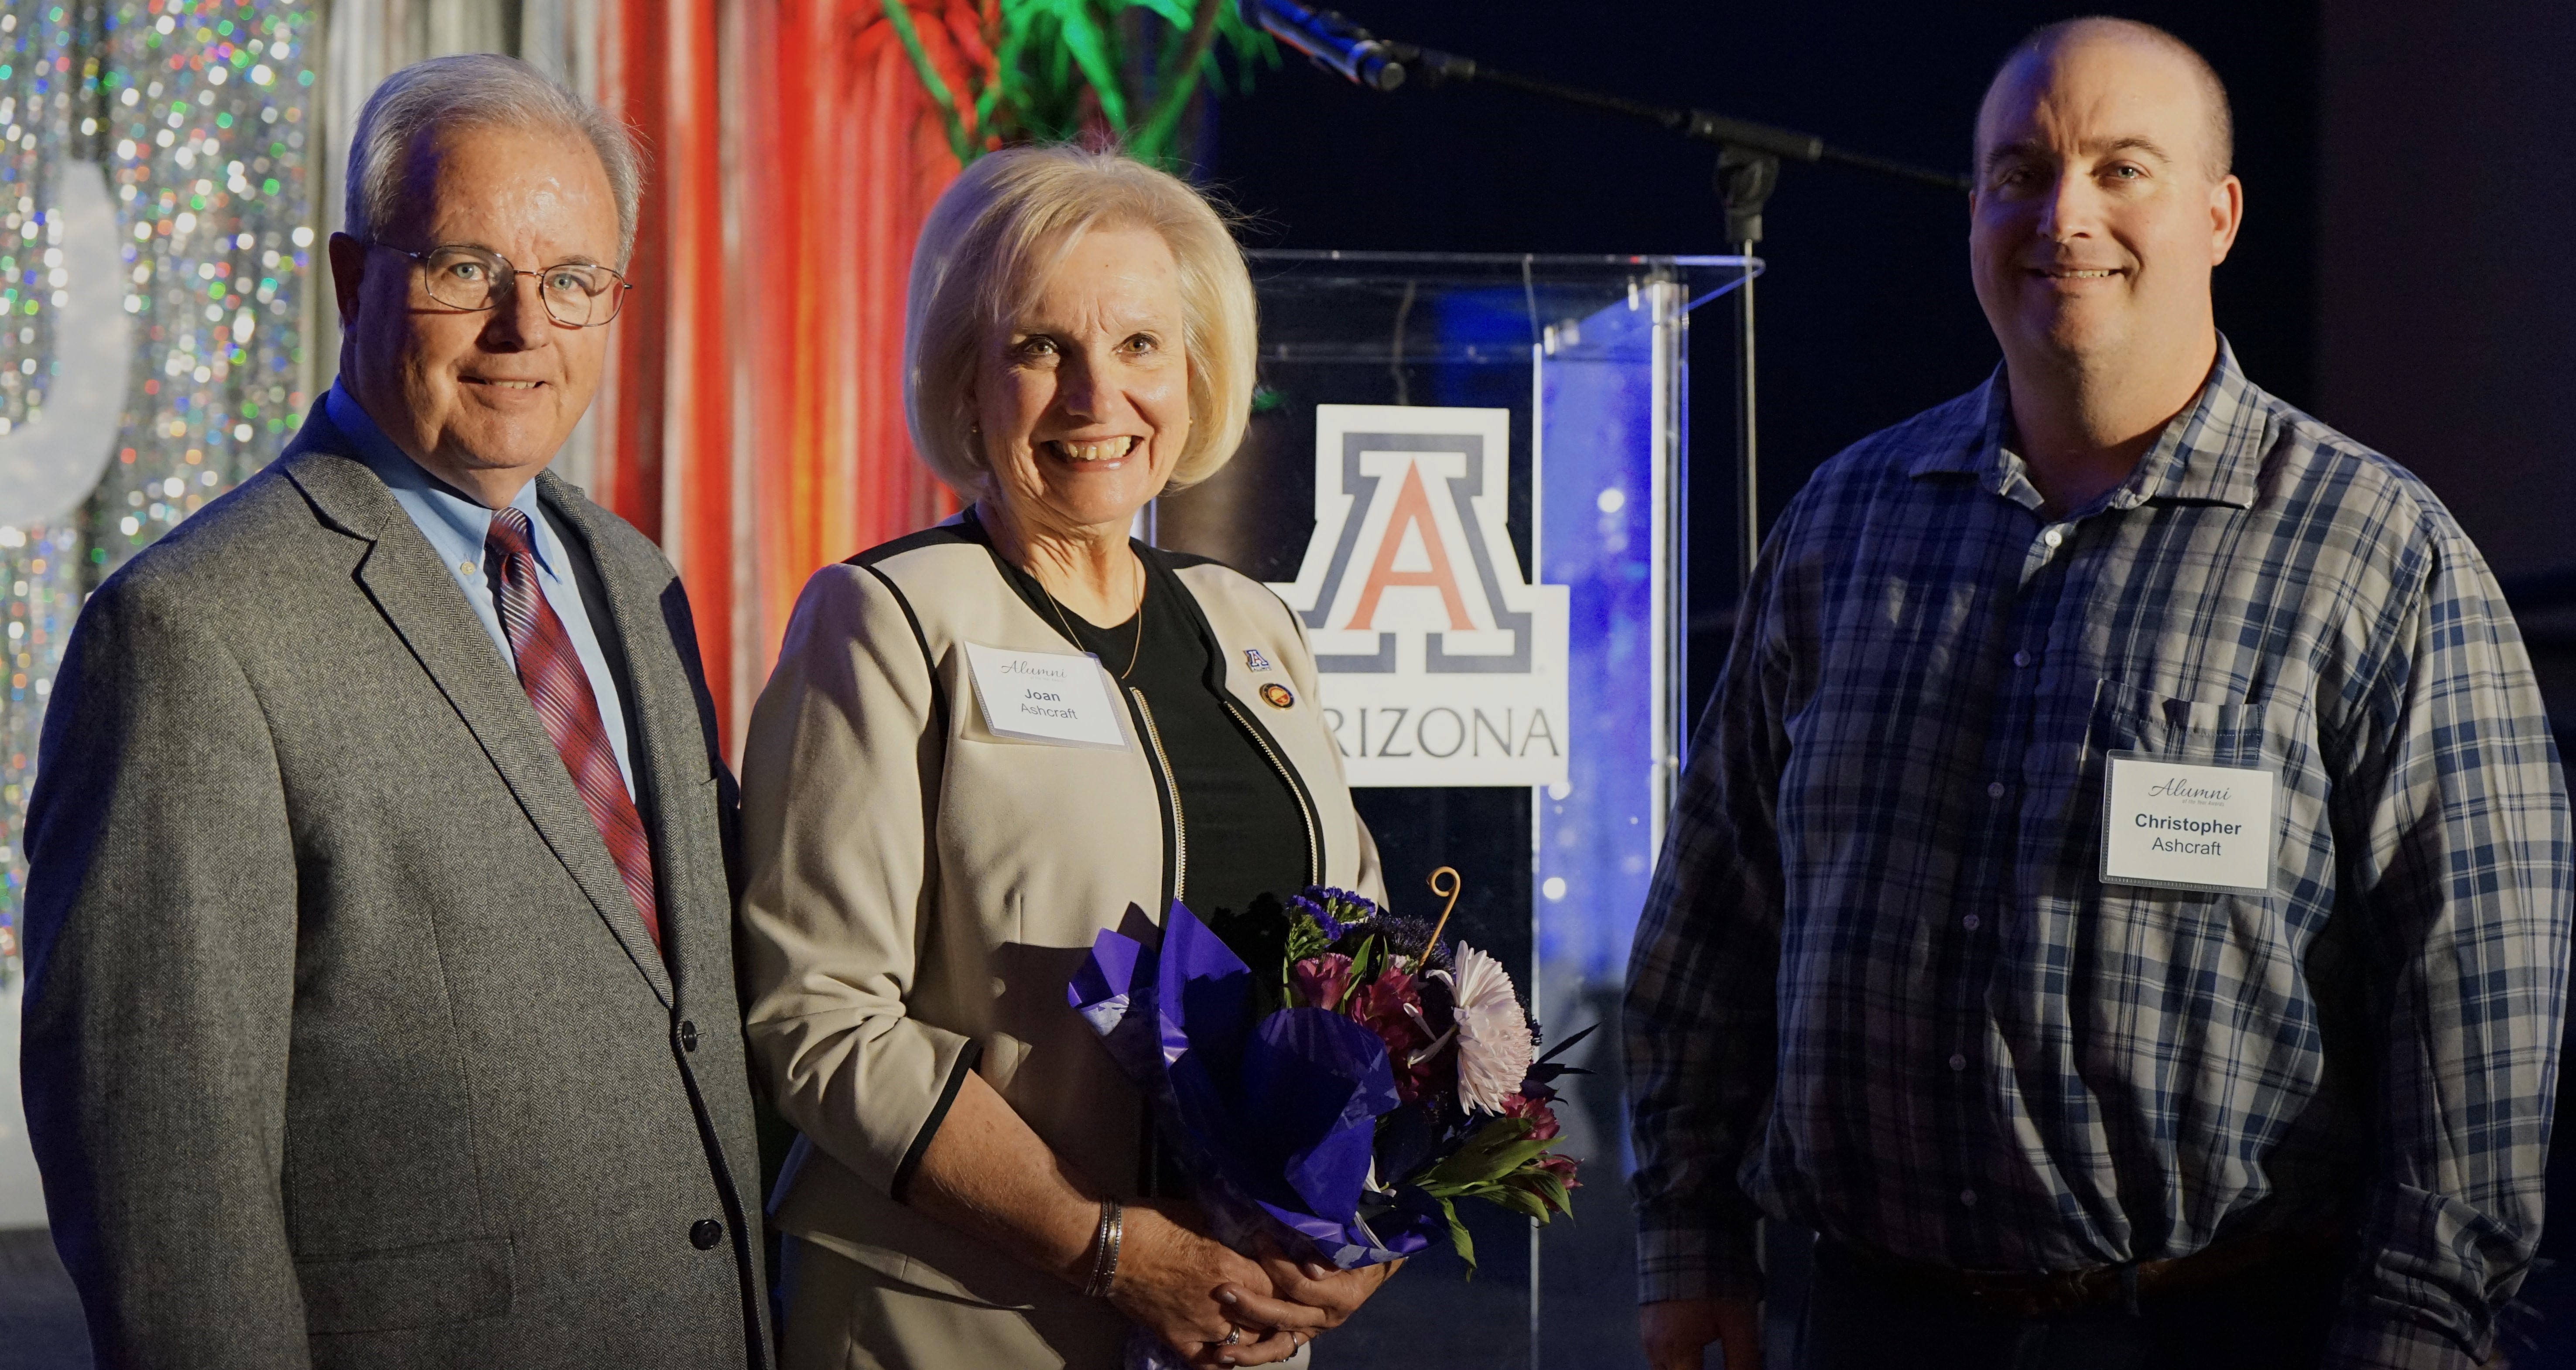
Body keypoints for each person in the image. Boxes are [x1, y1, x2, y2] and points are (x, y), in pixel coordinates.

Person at [1625, 18, 2569, 1370]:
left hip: (2216, 1328)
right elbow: (1714, 905)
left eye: (2122, 168)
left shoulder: (2376, 555)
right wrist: (1689, 1239)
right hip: (1869, 1323)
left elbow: (2477, 1003)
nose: (2063, 214)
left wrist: (2417, 1338)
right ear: (1972, 211)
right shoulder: (1848, 521)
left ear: (2218, 213)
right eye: (2020, 172)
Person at [20, 55, 770, 1368]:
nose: (523, 329)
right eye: (465, 269)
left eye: (575, 282)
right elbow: (167, 1193)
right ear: (354, 279)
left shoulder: (635, 582)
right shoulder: (193, 631)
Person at [737, 144, 1398, 1370]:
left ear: (1196, 373)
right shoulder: (890, 620)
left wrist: (1348, 1226)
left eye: (1141, 346)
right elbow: (819, 1017)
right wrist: (1114, 1250)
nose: (1100, 398)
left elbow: (1349, 968)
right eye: (1042, 348)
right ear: (966, 379)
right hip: (958, 1323)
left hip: (1241, 1326)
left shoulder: (1252, 625)